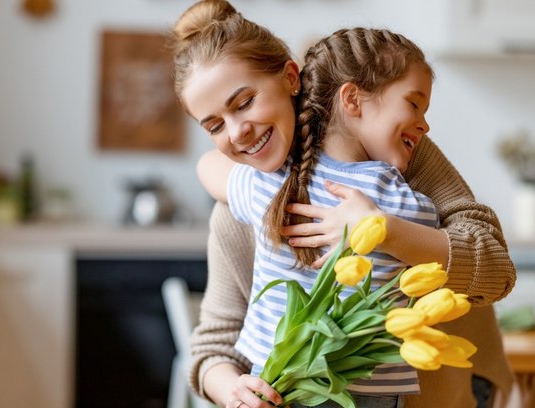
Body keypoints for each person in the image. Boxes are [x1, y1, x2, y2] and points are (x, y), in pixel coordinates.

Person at [171, 1, 516, 407]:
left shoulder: (387, 148)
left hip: (441, 388)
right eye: (213, 125)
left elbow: (494, 269)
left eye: (245, 102)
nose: (238, 132)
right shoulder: (243, 195)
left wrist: (380, 230)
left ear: (290, 78)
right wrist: (230, 387)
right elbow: (215, 344)